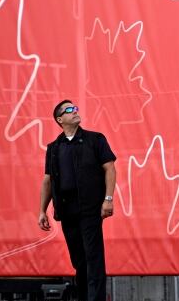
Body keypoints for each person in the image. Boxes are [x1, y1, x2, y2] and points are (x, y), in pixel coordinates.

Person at [38, 100, 117, 301]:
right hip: (66, 210)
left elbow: (110, 168)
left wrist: (108, 199)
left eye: (76, 108)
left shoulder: (95, 139)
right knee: (79, 260)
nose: (75, 112)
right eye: (69, 110)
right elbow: (48, 180)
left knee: (93, 257)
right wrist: (42, 211)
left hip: (90, 208)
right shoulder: (54, 147)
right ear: (60, 119)